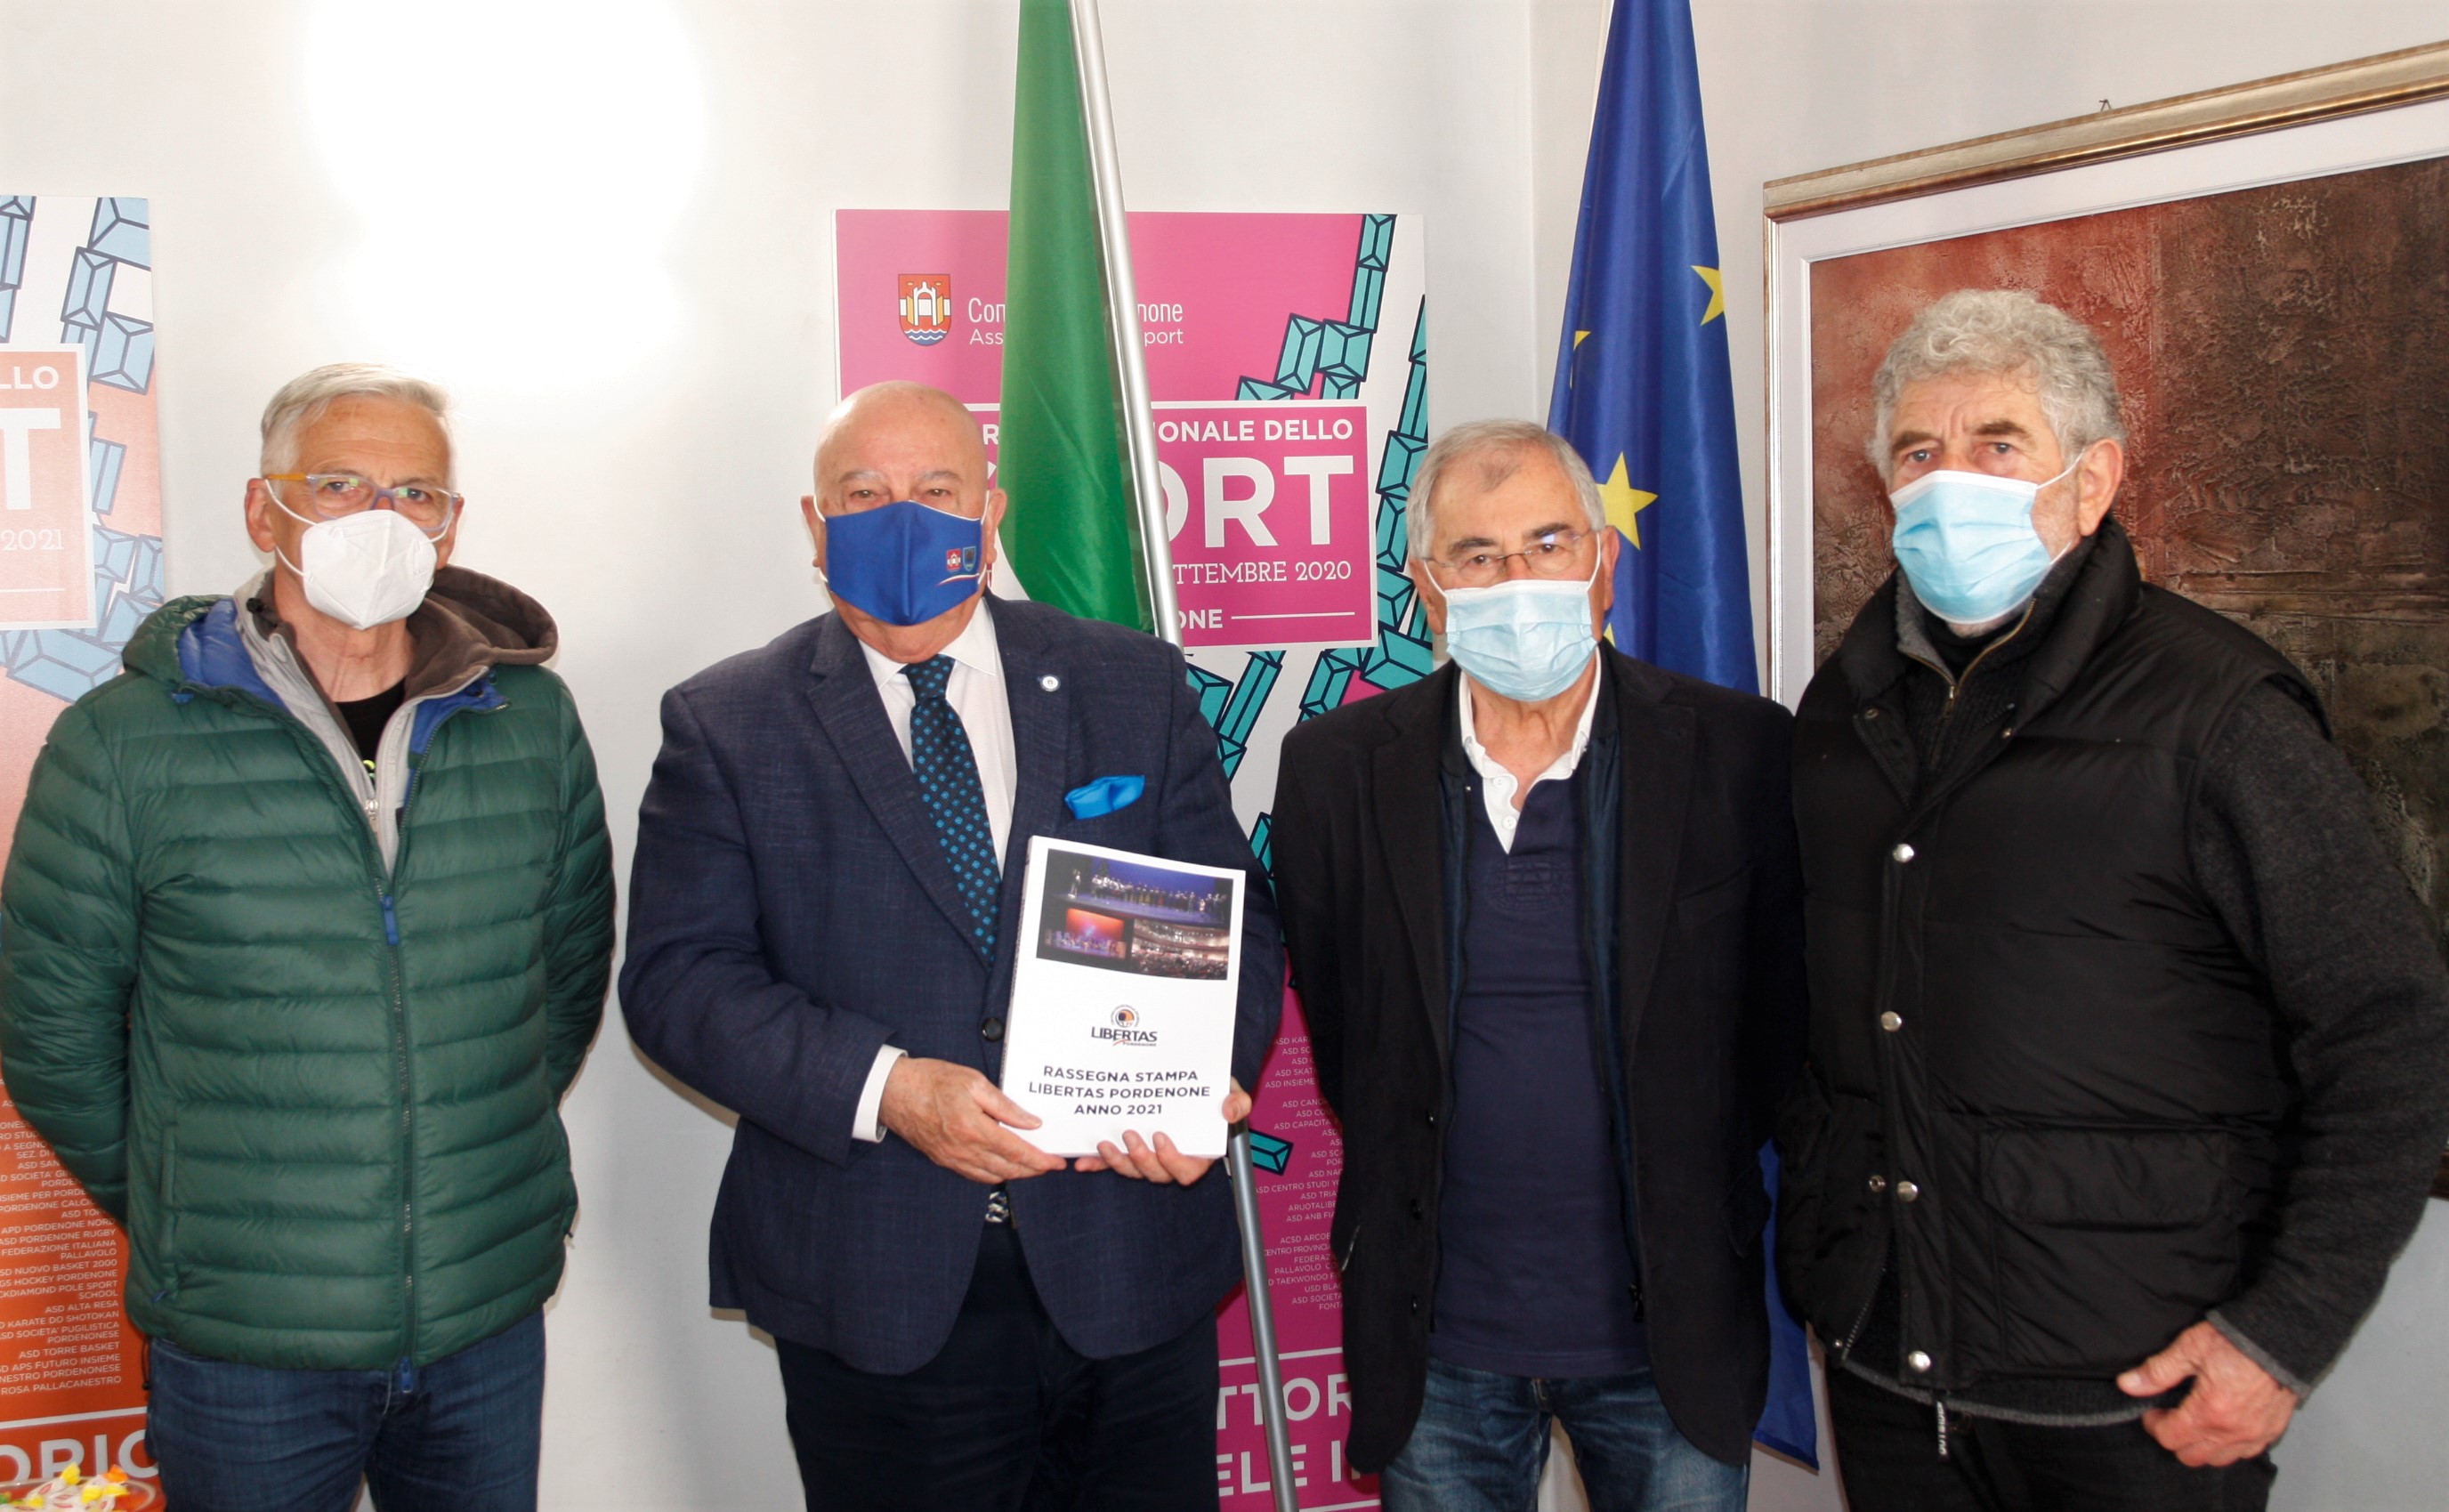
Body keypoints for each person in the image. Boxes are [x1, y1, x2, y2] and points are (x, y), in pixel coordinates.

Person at [1778, 288, 2449, 1512]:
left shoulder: (2220, 713)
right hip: (1889, 1369)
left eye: (1998, 444)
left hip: (2132, 1393)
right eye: (1919, 453)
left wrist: (2282, 1334)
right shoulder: (1843, 710)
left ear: (2092, 480)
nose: (1949, 481)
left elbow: (2389, 1026)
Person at [618, 381, 1281, 1510]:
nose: (903, 519)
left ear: (991, 509)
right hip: (879, 1282)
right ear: (815, 524)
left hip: (1128, 1264)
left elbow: (1237, 918)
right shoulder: (728, 720)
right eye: (863, 494)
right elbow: (681, 982)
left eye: (936, 490)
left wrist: (1198, 1076)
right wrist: (887, 1087)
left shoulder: (1130, 680)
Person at [0, 364, 615, 1512]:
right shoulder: (124, 742)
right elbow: (51, 1033)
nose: (381, 516)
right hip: (246, 1344)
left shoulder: (529, 722)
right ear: (262, 508)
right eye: (338, 484)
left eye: (415, 493)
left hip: (480, 1320)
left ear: (449, 525)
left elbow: (566, 977)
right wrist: (192, 1204)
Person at [1268, 419, 1806, 1512]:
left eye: (1549, 543)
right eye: (1477, 555)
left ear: (1603, 561)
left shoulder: (1739, 750)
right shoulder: (1335, 769)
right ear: (1428, 589)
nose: (1518, 579)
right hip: (1438, 1340)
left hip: (1669, 1334)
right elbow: (1348, 1024)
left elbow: (1777, 1026)